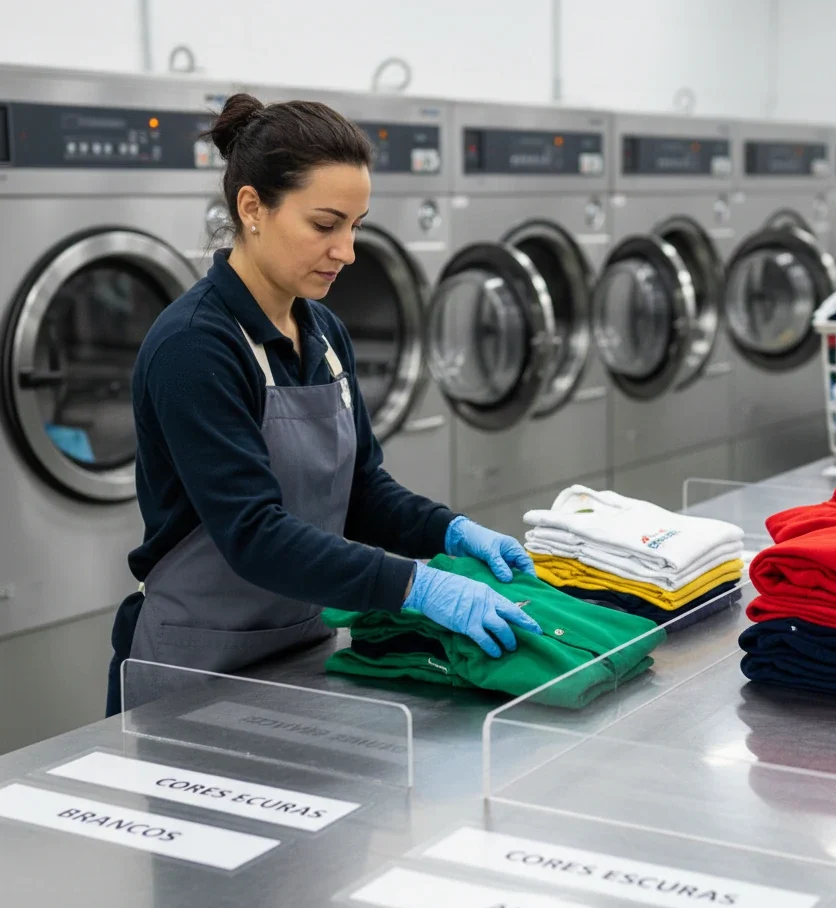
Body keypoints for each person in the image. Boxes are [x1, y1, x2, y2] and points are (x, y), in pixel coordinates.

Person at [105, 93, 541, 716]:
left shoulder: (324, 334)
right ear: (252, 208)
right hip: (193, 665)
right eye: (325, 224)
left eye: (355, 226)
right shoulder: (194, 346)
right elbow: (253, 533)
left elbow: (360, 490)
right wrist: (415, 586)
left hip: (298, 649)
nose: (348, 251)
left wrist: (447, 531)